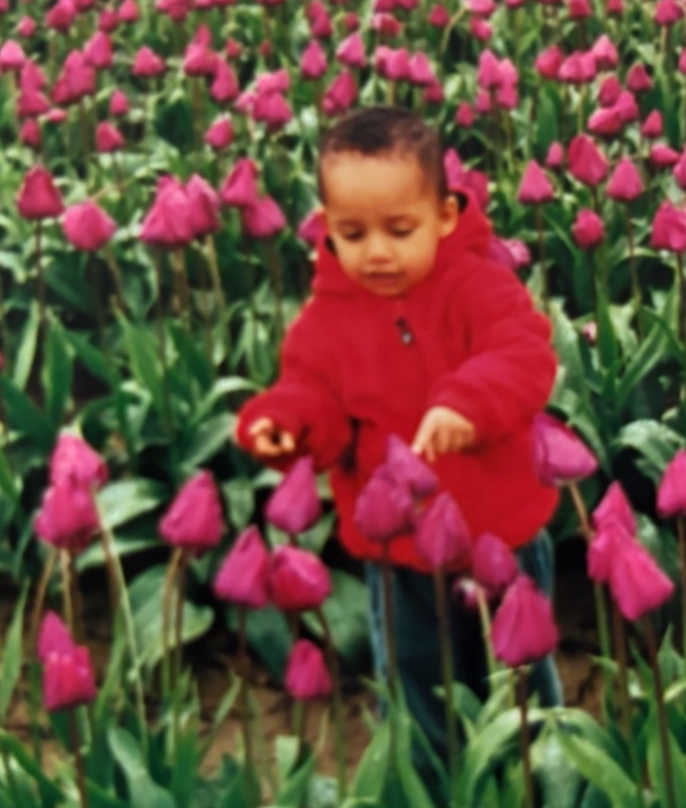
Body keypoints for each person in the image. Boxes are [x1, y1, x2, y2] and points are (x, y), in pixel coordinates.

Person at [234, 106, 563, 759]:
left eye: (399, 229)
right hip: (398, 551)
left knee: (520, 667)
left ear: (444, 216)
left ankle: (541, 782)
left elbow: (524, 352)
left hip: (500, 531)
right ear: (326, 229)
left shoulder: (476, 286)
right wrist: (284, 426)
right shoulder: (325, 321)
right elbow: (312, 395)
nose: (377, 251)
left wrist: (468, 404)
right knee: (412, 675)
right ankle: (435, 798)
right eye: (353, 234)